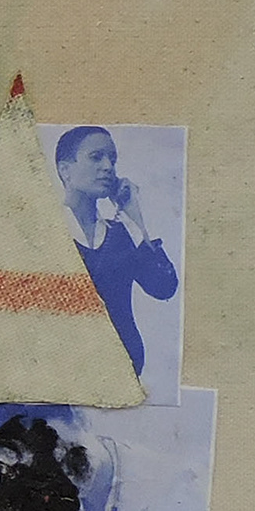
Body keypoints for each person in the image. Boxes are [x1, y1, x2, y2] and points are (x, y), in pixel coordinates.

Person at [54, 127, 178, 378]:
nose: (108, 166)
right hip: (65, 374)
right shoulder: (46, 231)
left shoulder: (121, 234)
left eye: (112, 159)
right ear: (65, 170)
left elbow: (164, 287)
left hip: (124, 372)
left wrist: (135, 217)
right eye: (96, 157)